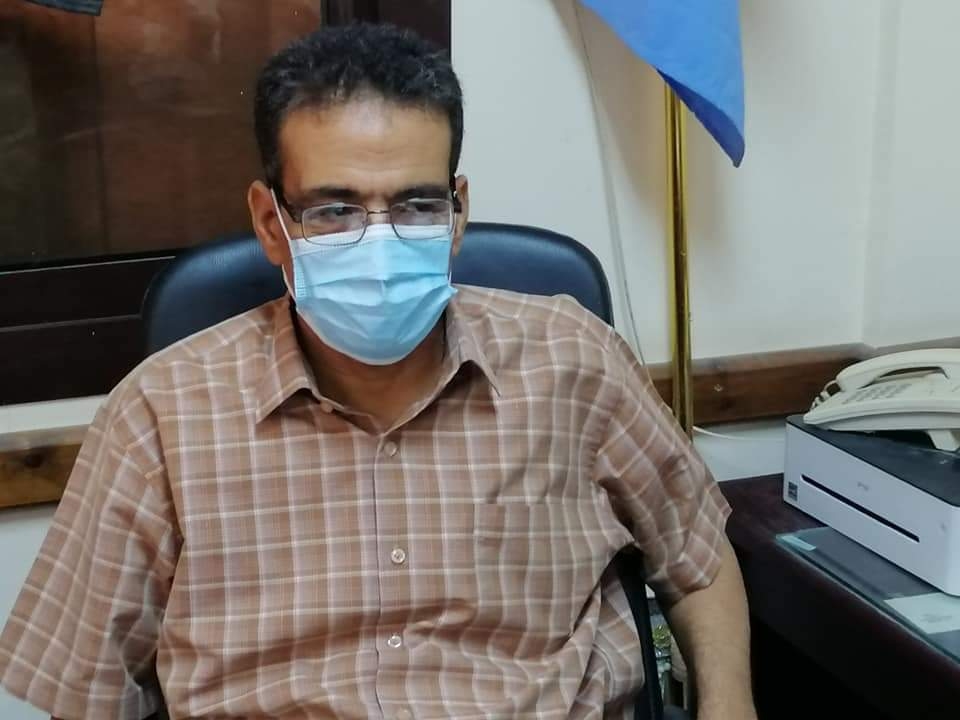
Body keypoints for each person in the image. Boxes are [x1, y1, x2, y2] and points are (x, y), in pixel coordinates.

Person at [0, 23, 757, 720]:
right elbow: (88, 689)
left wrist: (729, 708)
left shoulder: (573, 359)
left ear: (458, 212)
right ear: (271, 223)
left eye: (416, 205)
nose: (381, 243)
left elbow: (698, 559)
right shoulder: (161, 416)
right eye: (334, 210)